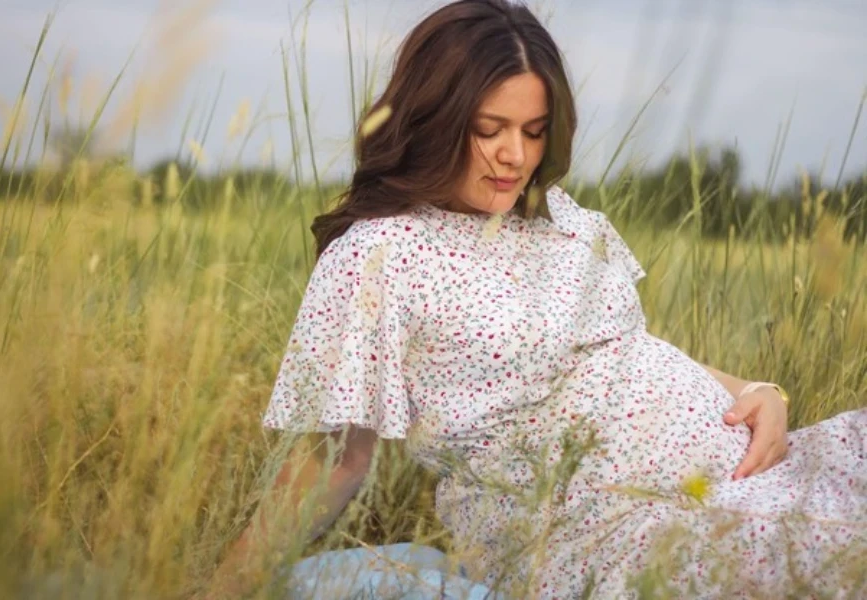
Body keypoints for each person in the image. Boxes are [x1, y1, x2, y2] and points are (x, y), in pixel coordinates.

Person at [204, 1, 867, 597]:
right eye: (489, 128)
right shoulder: (380, 256)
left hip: (742, 474)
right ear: (435, 119)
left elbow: (630, 353)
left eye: (534, 129)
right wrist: (224, 589)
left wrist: (759, 390)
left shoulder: (564, 220)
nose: (514, 156)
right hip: (602, 529)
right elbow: (334, 459)